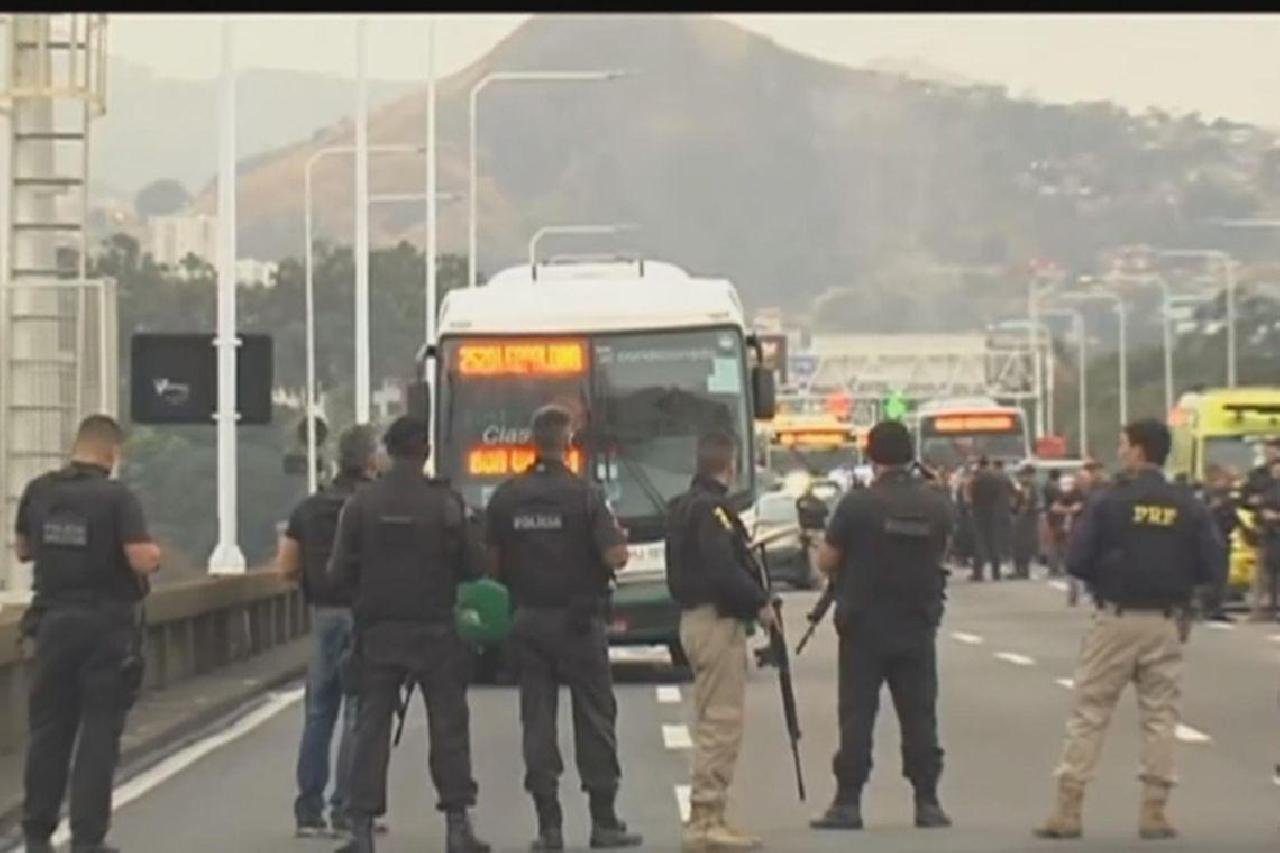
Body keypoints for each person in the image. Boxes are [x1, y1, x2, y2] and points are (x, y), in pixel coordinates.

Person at [1034, 419, 1226, 841]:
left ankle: (1069, 809)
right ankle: (1154, 811)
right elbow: (1213, 564)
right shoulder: (1187, 503)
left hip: (1116, 618)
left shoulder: (1110, 501)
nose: (1120, 452)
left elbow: (1079, 560)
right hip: (1167, 620)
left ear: (1138, 451)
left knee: (1090, 711)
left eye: (1123, 445)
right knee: (1161, 715)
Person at [326, 417, 489, 853]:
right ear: (426, 450)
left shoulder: (360, 505)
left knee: (369, 729)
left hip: (378, 631)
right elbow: (475, 566)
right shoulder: (447, 503)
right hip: (435, 630)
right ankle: (457, 826)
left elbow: (337, 574)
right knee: (449, 728)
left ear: (388, 451)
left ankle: (361, 829)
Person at [485, 405, 643, 850]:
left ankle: (548, 826)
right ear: (568, 441)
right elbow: (615, 557)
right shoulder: (585, 496)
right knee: (594, 718)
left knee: (537, 721)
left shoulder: (507, 497)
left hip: (528, 621)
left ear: (533, 441)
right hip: (579, 622)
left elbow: (491, 566)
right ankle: (603, 821)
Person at [16, 415, 162, 853]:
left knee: (48, 732)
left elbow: (24, 550)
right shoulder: (117, 498)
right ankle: (86, 838)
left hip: (52, 623)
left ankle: (37, 833)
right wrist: (156, 556)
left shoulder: (39, 491)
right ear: (111, 452)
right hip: (105, 627)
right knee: (98, 733)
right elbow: (138, 558)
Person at [810, 421, 954, 832]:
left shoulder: (857, 505)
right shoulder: (936, 504)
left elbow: (826, 561)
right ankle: (927, 801)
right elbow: (943, 549)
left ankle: (848, 802)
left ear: (872, 456)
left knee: (857, 715)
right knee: (920, 714)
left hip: (863, 627)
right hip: (917, 623)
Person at [666, 431, 775, 850]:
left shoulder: (684, 507)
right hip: (715, 620)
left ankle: (709, 815)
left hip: (697, 619)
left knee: (714, 717)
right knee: (721, 722)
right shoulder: (713, 512)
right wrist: (760, 603)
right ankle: (706, 819)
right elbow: (722, 569)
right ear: (730, 465)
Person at [279, 425, 379, 838]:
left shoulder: (308, 508)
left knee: (319, 712)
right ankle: (346, 807)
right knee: (359, 713)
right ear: (371, 461)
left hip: (323, 616)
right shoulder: (372, 506)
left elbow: (285, 567)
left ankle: (308, 810)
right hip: (363, 616)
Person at [968, 457, 1011, 581]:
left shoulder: (977, 477)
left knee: (979, 541)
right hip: (995, 512)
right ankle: (996, 573)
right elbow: (1013, 491)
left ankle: (978, 573)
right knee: (994, 541)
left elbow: (969, 492)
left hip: (979, 512)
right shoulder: (998, 476)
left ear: (979, 464)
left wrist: (971, 505)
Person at [1011, 464, 1040, 580]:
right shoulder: (1025, 487)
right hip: (1025, 519)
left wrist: (1021, 511)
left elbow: (1027, 504)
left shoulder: (1030, 487)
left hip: (1026, 520)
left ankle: (1023, 570)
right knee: (1020, 545)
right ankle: (1021, 569)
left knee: (1022, 545)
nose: (1022, 477)